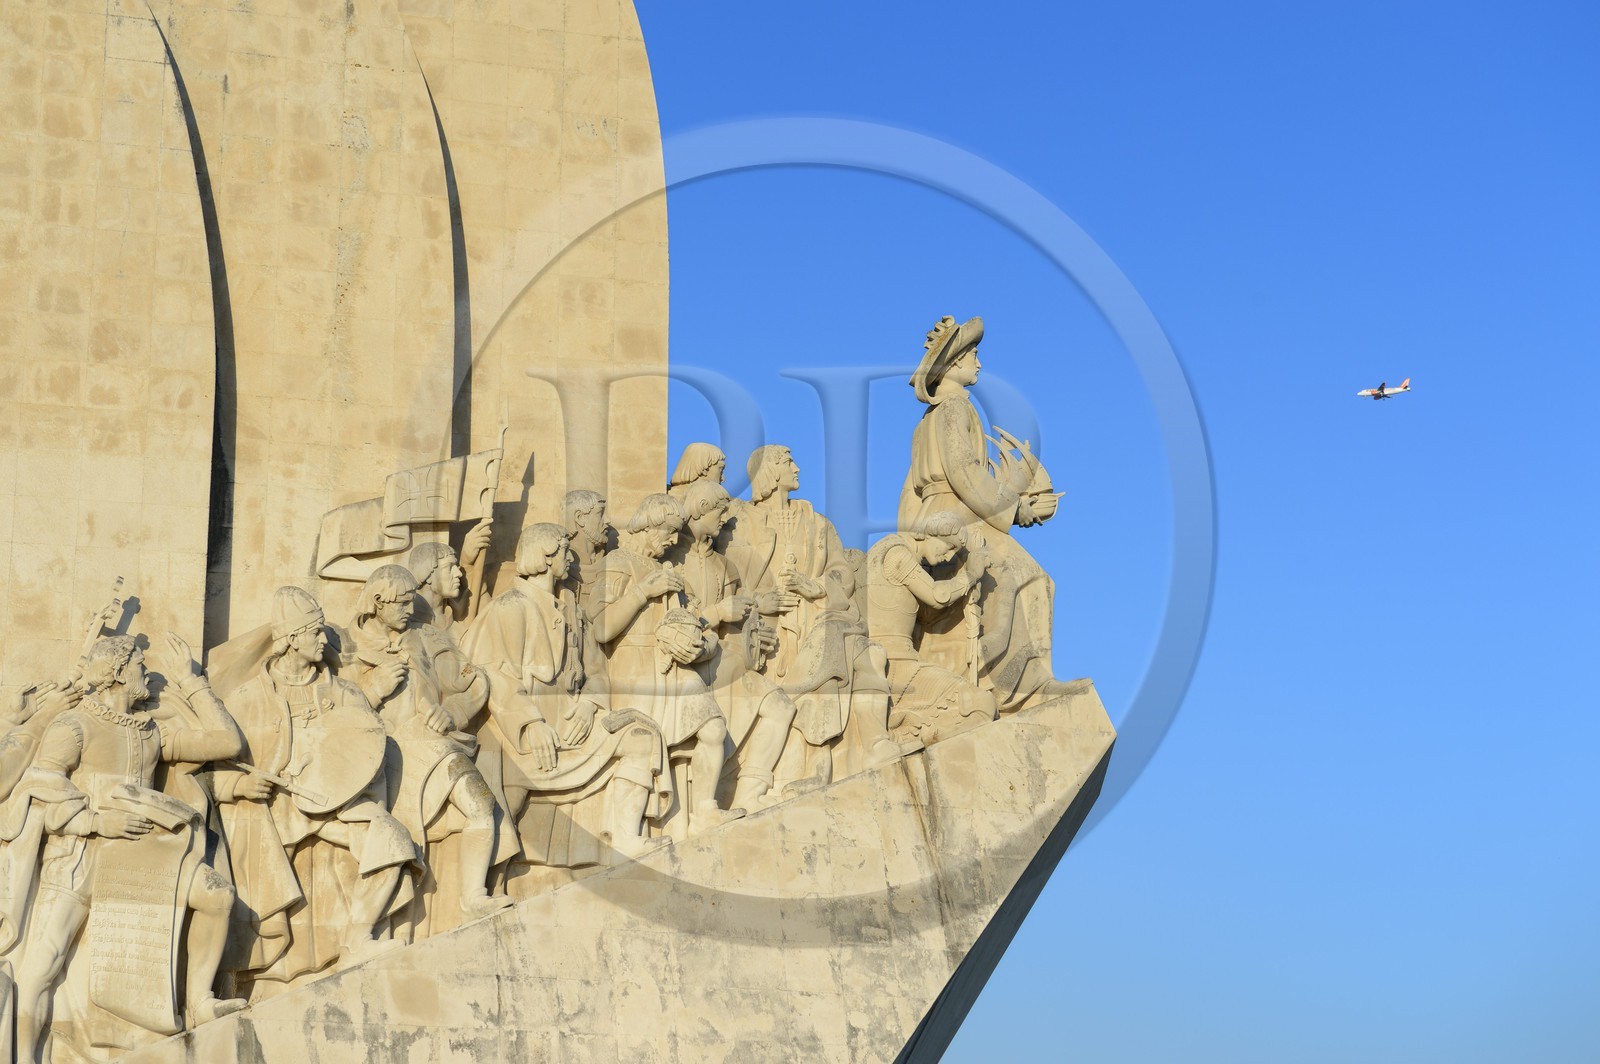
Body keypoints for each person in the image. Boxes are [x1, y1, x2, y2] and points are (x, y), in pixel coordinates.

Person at [5, 634, 246, 1062]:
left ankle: (200, 1001)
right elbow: (41, 787)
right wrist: (97, 822)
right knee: (42, 964)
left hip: (141, 857)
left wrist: (194, 683)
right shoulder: (74, 724)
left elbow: (226, 743)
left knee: (217, 895)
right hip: (81, 856)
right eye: (139, 665)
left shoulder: (151, 732)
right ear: (118, 671)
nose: (147, 675)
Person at [212, 588, 418, 995]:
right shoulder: (247, 699)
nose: (324, 640)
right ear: (290, 639)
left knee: (392, 839)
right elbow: (208, 774)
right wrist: (239, 785)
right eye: (314, 632)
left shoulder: (343, 692)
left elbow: (366, 748)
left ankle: (358, 938)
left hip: (336, 807)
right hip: (273, 809)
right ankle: (229, 974)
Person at [460, 524, 668, 869]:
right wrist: (531, 724)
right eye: (563, 551)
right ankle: (483, 883)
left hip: (575, 725)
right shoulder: (509, 607)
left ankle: (626, 836)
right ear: (545, 557)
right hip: (527, 736)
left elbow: (599, 671)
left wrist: (589, 705)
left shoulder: (574, 613)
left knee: (641, 739)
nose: (570, 558)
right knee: (505, 807)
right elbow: (491, 672)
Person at [900, 315, 1074, 712]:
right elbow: (965, 474)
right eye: (973, 355)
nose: (978, 364)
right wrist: (1017, 510)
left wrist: (910, 537)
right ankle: (1026, 689)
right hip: (959, 514)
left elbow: (909, 490)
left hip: (935, 515)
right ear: (954, 362)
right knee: (1032, 579)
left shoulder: (925, 423)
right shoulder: (954, 410)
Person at [341, 565, 512, 932]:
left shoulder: (425, 636)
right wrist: (373, 691)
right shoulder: (347, 649)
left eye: (410, 601)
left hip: (433, 745)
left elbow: (474, 681)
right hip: (383, 764)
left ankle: (473, 897)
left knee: (482, 804)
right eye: (401, 603)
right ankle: (371, 933)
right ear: (376, 603)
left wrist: (451, 712)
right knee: (394, 852)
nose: (409, 609)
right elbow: (332, 719)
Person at [732, 446, 897, 788]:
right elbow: (729, 578)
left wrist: (816, 586)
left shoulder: (818, 523)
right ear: (770, 472)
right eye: (788, 462)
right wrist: (760, 602)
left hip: (818, 616)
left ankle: (846, 755)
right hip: (768, 629)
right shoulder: (742, 523)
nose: (797, 468)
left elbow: (843, 572)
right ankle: (793, 772)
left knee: (851, 658)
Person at [590, 495, 743, 833]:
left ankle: (705, 809)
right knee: (645, 750)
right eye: (668, 531)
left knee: (713, 728)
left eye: (676, 533)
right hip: (635, 666)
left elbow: (696, 622)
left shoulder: (668, 571)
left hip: (677, 669)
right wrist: (643, 591)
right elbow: (601, 628)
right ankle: (632, 831)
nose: (674, 541)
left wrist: (699, 646)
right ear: (648, 524)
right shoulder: (616, 562)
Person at [674, 481, 795, 810]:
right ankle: (707, 803)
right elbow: (671, 622)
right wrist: (716, 613)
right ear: (700, 509)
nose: (725, 519)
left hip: (730, 663)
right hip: (696, 669)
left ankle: (748, 795)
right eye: (719, 511)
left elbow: (739, 618)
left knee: (781, 707)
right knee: (714, 732)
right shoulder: (675, 559)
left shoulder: (724, 566)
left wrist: (756, 633)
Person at [865, 513, 998, 743]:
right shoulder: (896, 554)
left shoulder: (902, 556)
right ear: (931, 533)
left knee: (979, 705)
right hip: (894, 665)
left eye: (952, 553)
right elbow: (938, 595)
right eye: (948, 547)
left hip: (901, 663)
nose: (947, 557)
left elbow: (926, 612)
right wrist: (971, 575)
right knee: (980, 704)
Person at [404, 517, 493, 631]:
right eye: (448, 567)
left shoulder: (454, 618)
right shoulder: (406, 621)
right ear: (427, 575)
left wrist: (467, 564)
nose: (458, 574)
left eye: (456, 567)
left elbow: (491, 619)